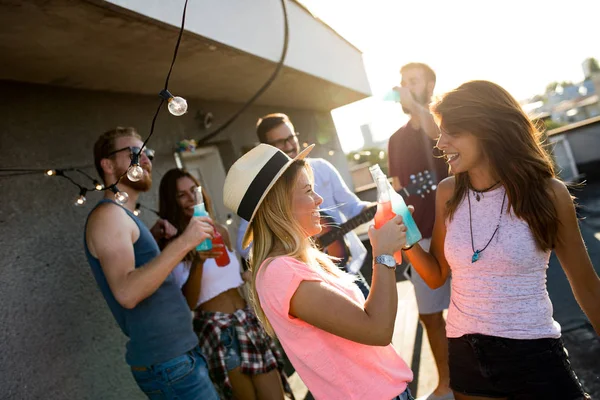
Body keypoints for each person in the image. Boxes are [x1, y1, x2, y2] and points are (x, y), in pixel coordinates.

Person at [405, 80, 600, 400]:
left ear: (486, 128)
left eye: (450, 131)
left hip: (534, 356)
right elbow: (437, 275)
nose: (440, 143)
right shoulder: (447, 193)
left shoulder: (549, 194)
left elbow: (587, 287)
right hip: (466, 359)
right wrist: (407, 238)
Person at [223, 143, 414, 400]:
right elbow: (377, 330)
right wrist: (383, 254)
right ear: (278, 206)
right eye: (308, 190)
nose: (319, 199)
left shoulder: (298, 263)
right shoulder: (280, 272)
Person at [84, 127, 219, 399]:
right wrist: (184, 242)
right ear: (108, 165)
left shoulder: (123, 216)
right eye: (135, 153)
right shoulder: (109, 216)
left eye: (148, 153)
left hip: (177, 357)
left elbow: (140, 276)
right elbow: (127, 292)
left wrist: (155, 243)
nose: (145, 159)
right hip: (169, 363)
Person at [156, 168, 293, 400]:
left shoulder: (220, 231)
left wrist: (256, 272)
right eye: (182, 195)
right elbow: (188, 303)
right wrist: (198, 262)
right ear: (172, 201)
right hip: (217, 331)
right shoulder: (174, 244)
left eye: (193, 191)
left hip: (247, 321)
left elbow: (233, 279)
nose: (190, 199)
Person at [236, 113, 372, 297]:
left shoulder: (322, 167)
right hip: (306, 281)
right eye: (281, 142)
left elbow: (353, 207)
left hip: (345, 269)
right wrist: (292, 245)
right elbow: (245, 245)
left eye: (291, 137)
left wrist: (374, 208)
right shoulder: (264, 189)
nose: (290, 145)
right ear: (268, 149)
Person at [387, 63, 452, 400]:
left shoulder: (445, 123)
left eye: (413, 81)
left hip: (457, 230)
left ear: (430, 85)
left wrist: (418, 107)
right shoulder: (396, 140)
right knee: (429, 315)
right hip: (420, 238)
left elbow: (439, 137)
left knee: (468, 308)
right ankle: (447, 383)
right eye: (402, 82)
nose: (405, 87)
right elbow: (397, 192)